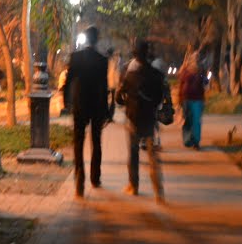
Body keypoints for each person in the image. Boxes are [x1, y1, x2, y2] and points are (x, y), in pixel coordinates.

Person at [116, 39, 170, 202]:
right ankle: (158, 191)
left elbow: (118, 98)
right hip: (150, 120)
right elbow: (160, 98)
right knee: (153, 156)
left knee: (133, 154)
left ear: (135, 55)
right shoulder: (157, 75)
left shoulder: (130, 75)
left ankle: (134, 186)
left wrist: (129, 102)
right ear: (148, 54)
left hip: (133, 119)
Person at [62, 25, 109, 198]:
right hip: (96, 105)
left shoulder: (76, 57)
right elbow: (104, 87)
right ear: (97, 39)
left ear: (86, 39)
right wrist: (106, 110)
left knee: (78, 142)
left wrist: (66, 102)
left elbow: (67, 82)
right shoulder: (102, 59)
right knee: (96, 142)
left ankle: (79, 178)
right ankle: (95, 178)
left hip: (80, 104)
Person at [178, 55, 207, 150]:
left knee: (196, 121)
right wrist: (179, 101)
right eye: (193, 60)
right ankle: (187, 140)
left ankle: (196, 142)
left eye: (196, 60)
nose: (195, 62)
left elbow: (205, 82)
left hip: (197, 100)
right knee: (188, 121)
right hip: (186, 100)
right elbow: (181, 86)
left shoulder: (201, 72)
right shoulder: (184, 71)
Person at [106, 47, 121, 122]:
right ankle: (109, 116)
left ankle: (109, 117)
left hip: (110, 84)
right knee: (111, 102)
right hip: (111, 84)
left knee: (110, 102)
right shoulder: (111, 62)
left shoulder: (110, 61)